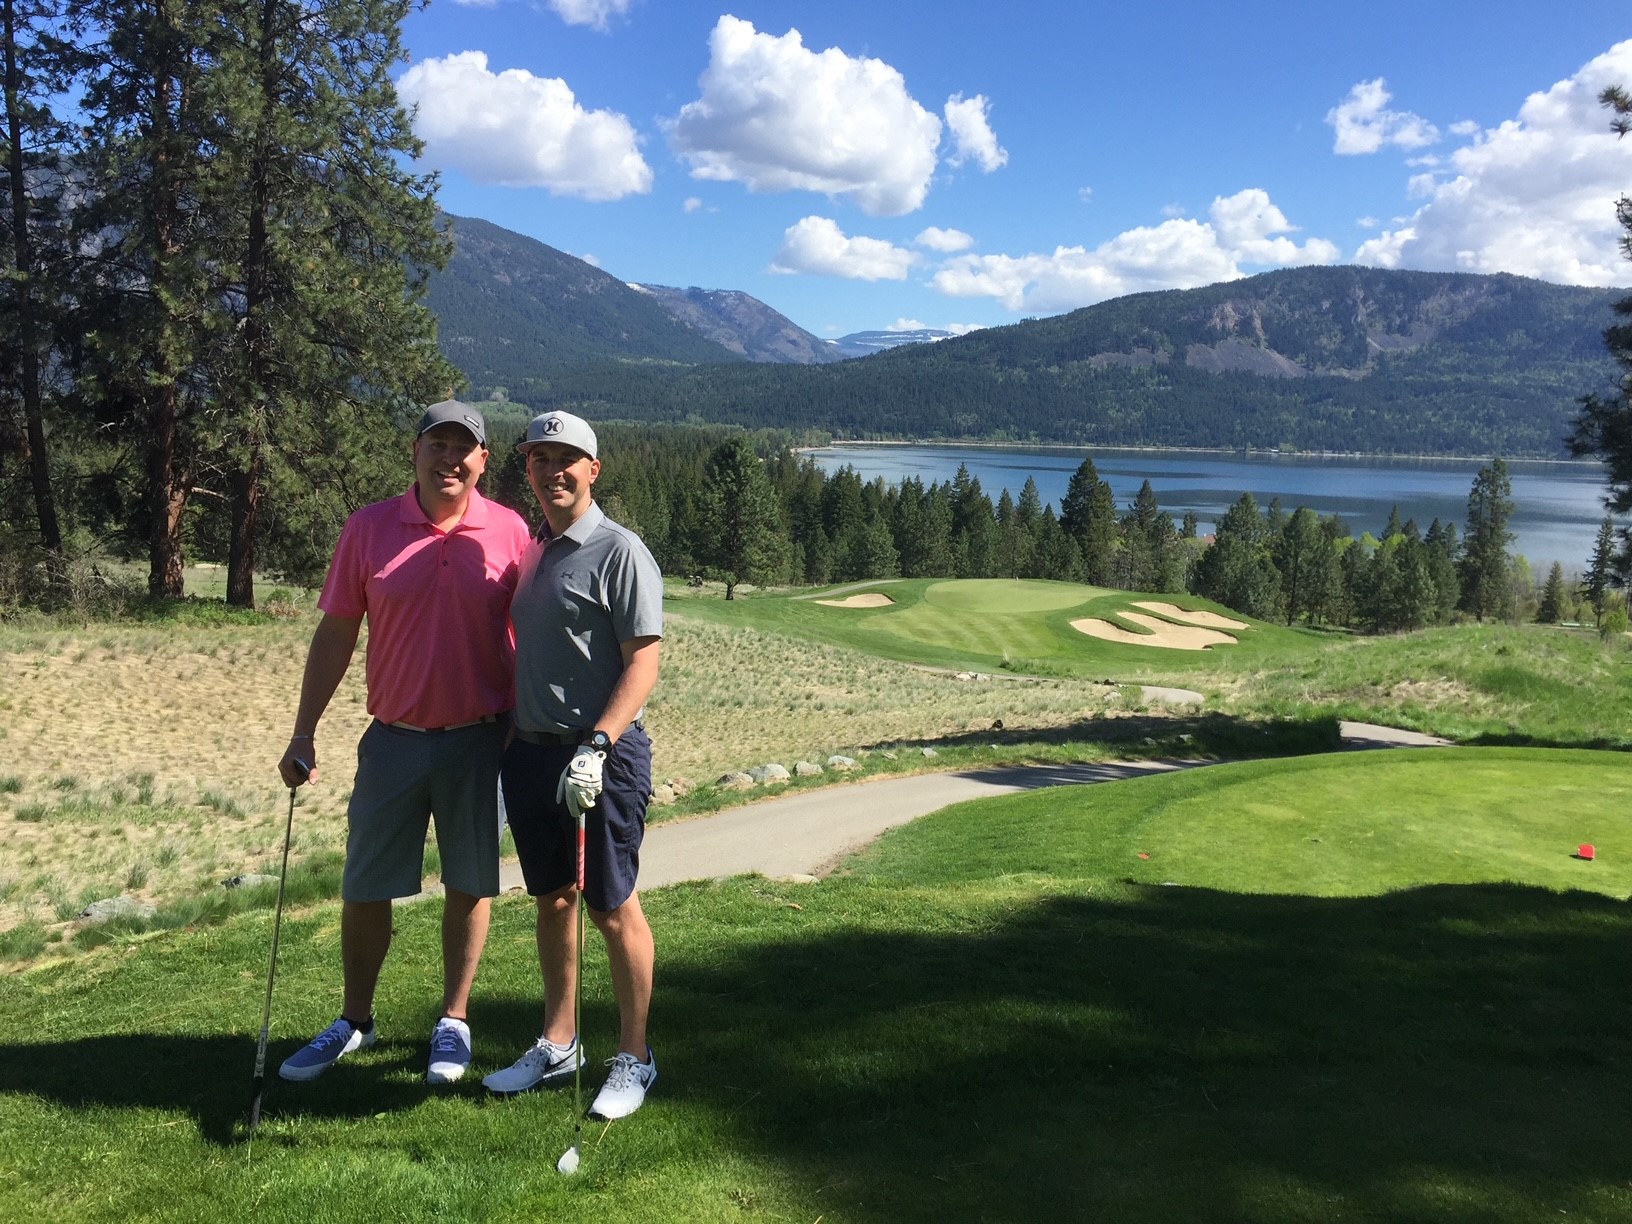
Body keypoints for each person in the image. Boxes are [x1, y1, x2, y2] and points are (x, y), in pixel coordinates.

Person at [275, 399, 531, 1086]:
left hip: (480, 739)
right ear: (414, 452)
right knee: (364, 887)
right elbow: (336, 632)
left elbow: (533, 630)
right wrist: (304, 731)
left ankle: (454, 1020)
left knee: (470, 885)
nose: (450, 459)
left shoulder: (509, 531)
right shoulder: (369, 528)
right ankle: (355, 1019)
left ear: (483, 460)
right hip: (392, 738)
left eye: (464, 448)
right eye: (437, 445)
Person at [483, 410, 664, 1121]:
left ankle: (635, 1056)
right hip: (531, 755)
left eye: (567, 459)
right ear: (526, 468)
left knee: (612, 906)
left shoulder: (619, 551)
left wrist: (599, 743)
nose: (551, 470)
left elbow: (643, 661)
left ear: (593, 469)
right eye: (538, 458)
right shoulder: (536, 552)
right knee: (553, 898)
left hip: (599, 759)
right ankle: (559, 1043)